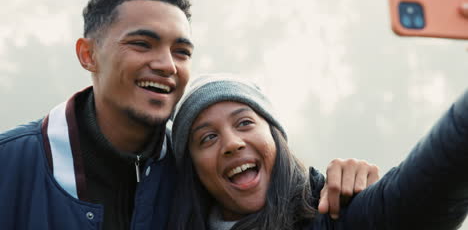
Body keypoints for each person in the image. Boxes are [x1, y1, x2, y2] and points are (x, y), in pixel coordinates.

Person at [0, 0, 379, 230]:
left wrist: (340, 183)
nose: (166, 65)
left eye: (181, 51)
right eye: (141, 44)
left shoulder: (200, 170)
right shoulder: (12, 165)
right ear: (88, 54)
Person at [169, 74, 468, 230]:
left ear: (275, 138)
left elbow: (426, 189)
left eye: (245, 122)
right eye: (207, 138)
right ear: (193, 168)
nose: (232, 143)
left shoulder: (336, 213)